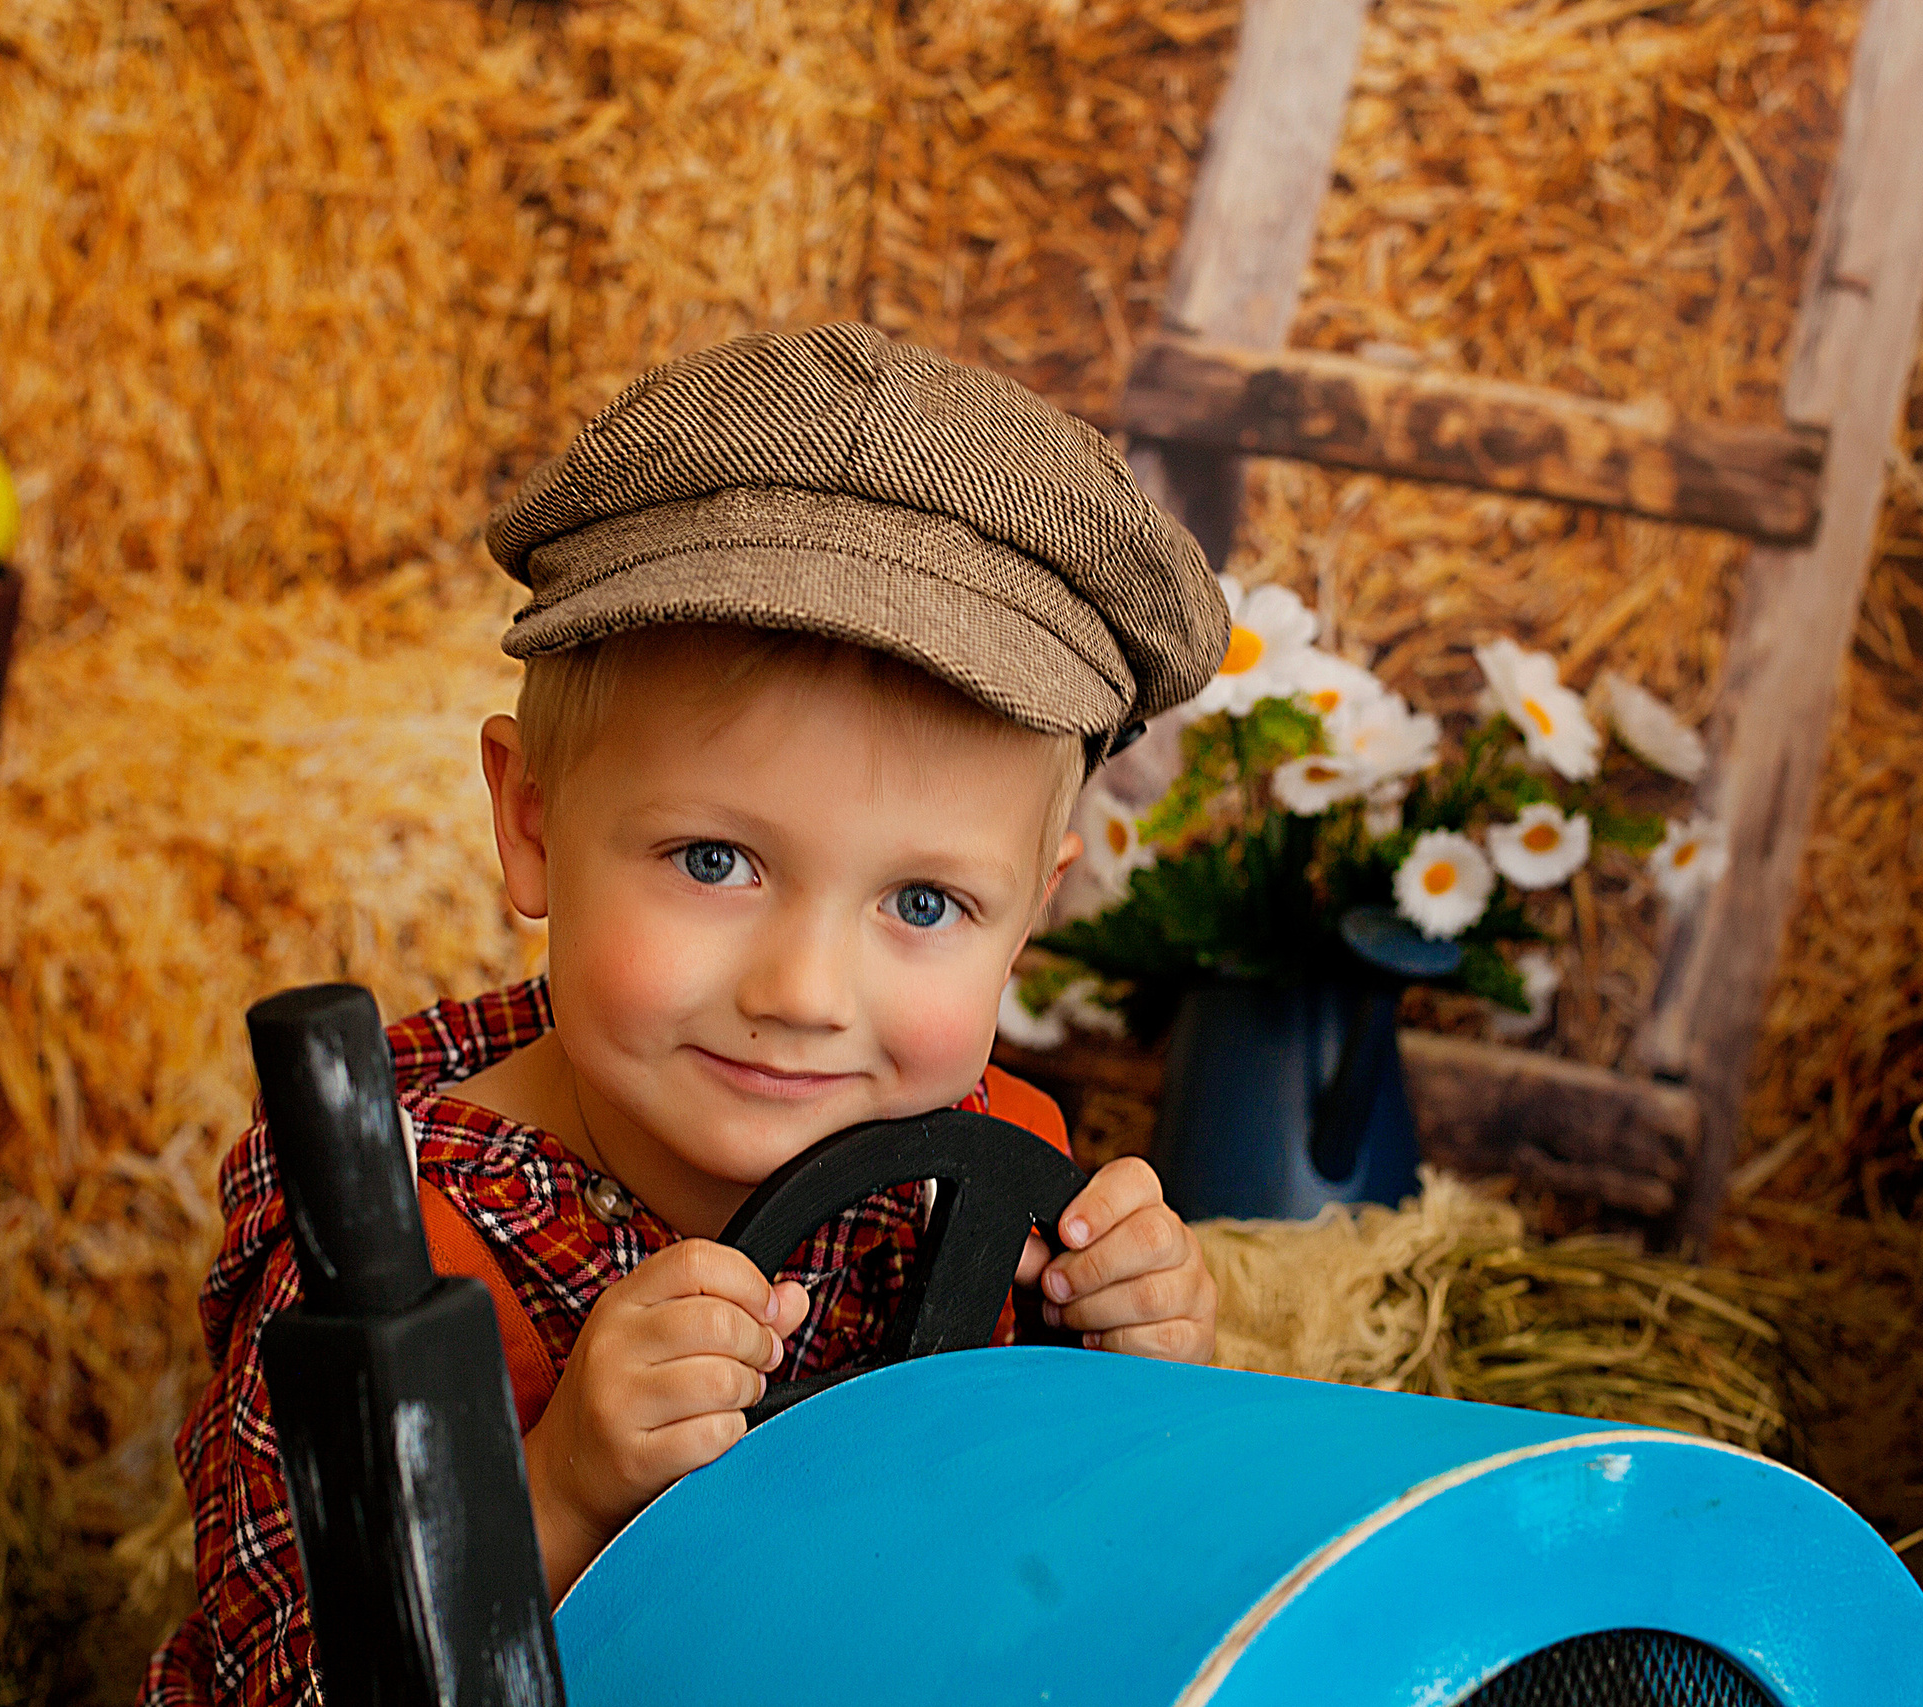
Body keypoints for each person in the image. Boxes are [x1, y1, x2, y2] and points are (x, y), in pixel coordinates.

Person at [144, 322, 1231, 1705]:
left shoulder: (993, 1189)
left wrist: (1147, 1388)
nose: (802, 993)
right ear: (532, 822)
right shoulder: (385, 1248)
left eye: (925, 905)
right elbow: (285, 1680)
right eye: (716, 862)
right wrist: (563, 1492)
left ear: (1032, 910)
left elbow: (1054, 1593)